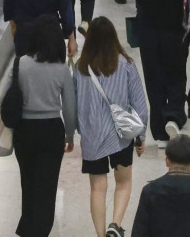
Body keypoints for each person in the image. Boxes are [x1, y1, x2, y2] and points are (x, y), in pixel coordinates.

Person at [73, 17, 148, 237]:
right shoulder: (126, 65)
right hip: (120, 135)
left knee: (97, 187)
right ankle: (115, 225)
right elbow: (140, 105)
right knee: (123, 182)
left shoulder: (80, 68)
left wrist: (79, 129)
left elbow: (74, 103)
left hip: (92, 136)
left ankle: (100, 234)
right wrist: (141, 136)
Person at [9, 15, 76, 237]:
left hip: (24, 130)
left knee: (27, 183)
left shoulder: (20, 63)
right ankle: (40, 231)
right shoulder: (61, 69)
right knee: (47, 187)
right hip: (51, 131)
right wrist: (69, 135)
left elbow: (4, 96)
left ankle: (27, 228)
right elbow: (69, 107)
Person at [134, 0, 190, 144]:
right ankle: (174, 115)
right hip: (175, 33)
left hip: (149, 33)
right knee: (176, 76)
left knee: (154, 79)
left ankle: (159, 131)